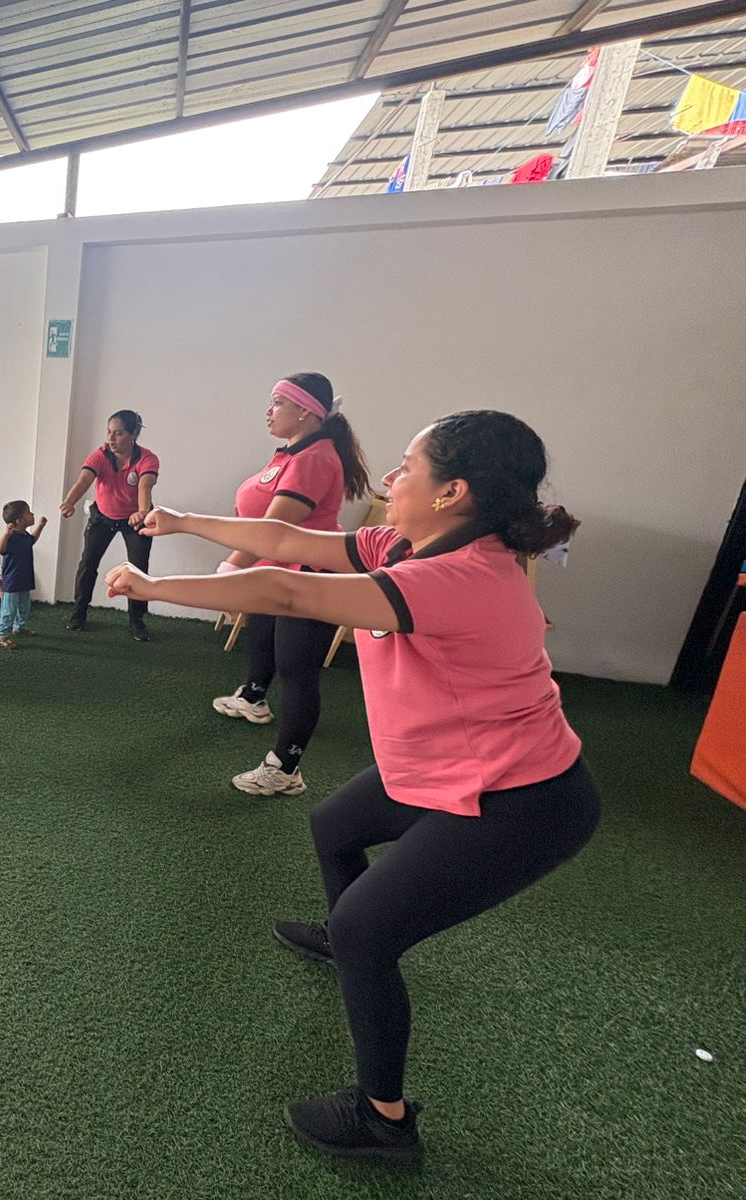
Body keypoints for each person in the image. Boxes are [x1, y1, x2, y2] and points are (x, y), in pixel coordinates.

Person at [105, 409, 598, 1161]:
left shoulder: (460, 576)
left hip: (524, 799)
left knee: (371, 930)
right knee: (333, 827)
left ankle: (383, 1119)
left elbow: (290, 593)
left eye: (409, 466)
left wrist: (153, 583)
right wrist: (178, 520)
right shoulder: (405, 542)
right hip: (446, 766)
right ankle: (349, 946)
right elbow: (284, 541)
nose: (391, 478)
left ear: (453, 492)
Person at [213, 374, 374, 797]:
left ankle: (286, 769)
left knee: (297, 672)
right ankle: (253, 698)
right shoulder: (291, 453)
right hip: (278, 570)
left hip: (309, 577)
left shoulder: (315, 458)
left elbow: (273, 528)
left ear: (305, 411)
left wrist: (228, 571)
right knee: (262, 638)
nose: (269, 411)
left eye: (278, 402)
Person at [59, 409, 160, 641]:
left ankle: (136, 621)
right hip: (102, 518)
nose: (111, 439)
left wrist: (142, 512)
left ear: (133, 434)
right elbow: (84, 479)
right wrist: (69, 502)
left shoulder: (147, 459)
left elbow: (145, 486)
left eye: (118, 433)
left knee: (138, 569)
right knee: (88, 563)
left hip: (135, 520)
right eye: (109, 432)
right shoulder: (101, 455)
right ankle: (78, 613)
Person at [0, 501, 47, 648]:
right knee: (9, 610)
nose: (32, 514)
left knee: (24, 606)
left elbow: (32, 540)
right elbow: (0, 549)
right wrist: (6, 534)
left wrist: (40, 526)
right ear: (19, 520)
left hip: (24, 578)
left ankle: (19, 627)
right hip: (12, 581)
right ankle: (2, 635)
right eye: (28, 512)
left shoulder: (24, 535)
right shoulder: (11, 536)